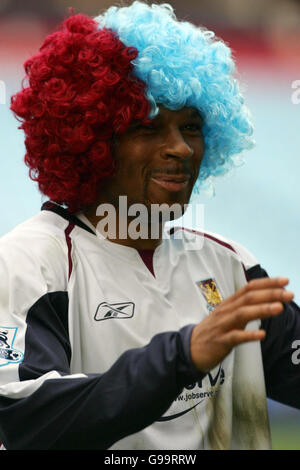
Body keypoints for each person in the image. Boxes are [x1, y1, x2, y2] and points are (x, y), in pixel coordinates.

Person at [0, 1, 299, 450]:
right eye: (148, 128)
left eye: (193, 128)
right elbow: (24, 415)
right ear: (91, 139)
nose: (179, 148)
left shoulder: (232, 265)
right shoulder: (29, 263)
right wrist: (182, 356)